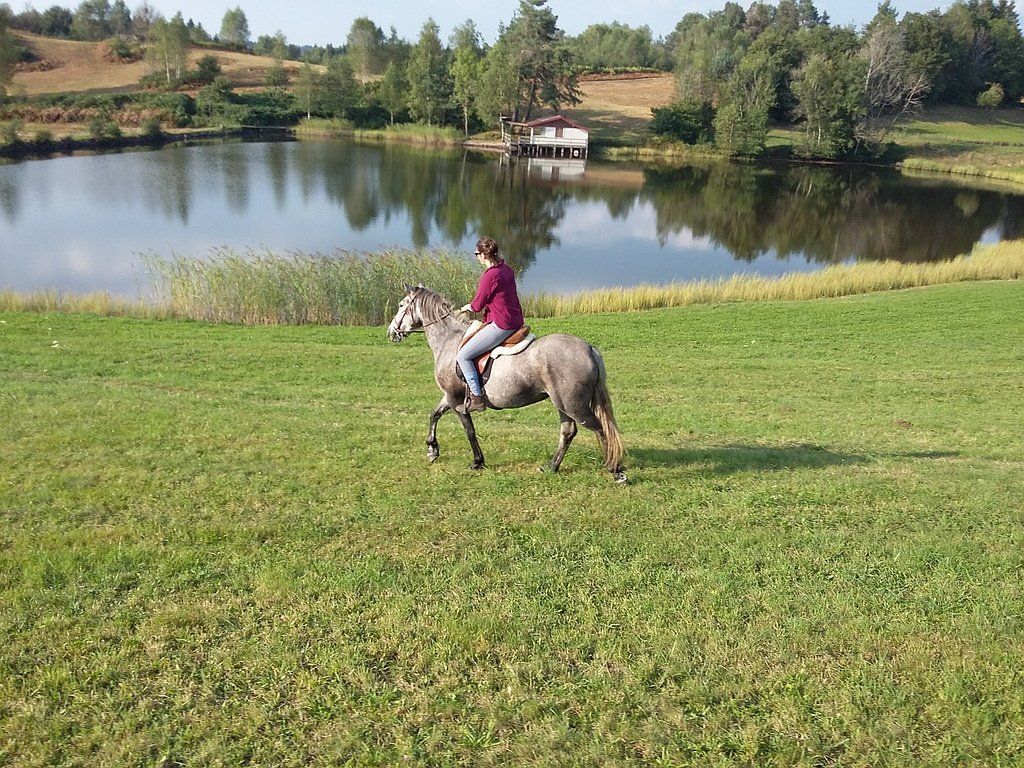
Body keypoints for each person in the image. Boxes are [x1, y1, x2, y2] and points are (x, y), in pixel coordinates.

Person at [457, 237, 525, 413]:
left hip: (502, 324)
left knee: (463, 355)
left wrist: (467, 307)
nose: (476, 257)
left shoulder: (490, 276)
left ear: (483, 255)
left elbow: (478, 304)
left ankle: (477, 397)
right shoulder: (506, 269)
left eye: (476, 254)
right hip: (515, 319)